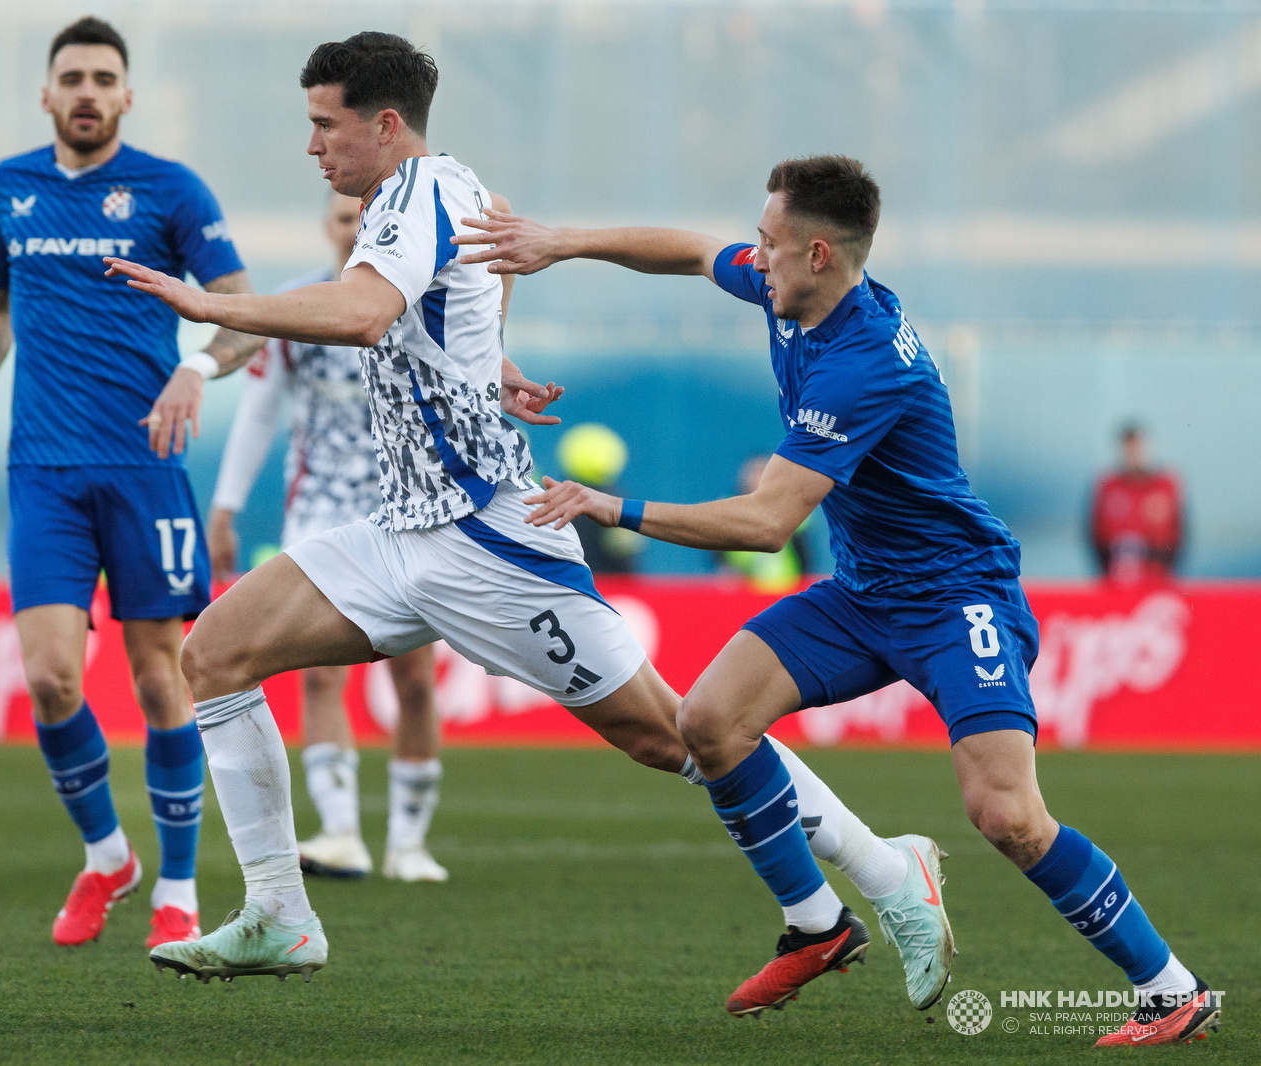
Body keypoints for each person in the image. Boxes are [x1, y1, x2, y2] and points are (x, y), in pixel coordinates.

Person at [104, 35, 953, 1012]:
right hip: (400, 534)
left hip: (493, 541)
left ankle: (890, 873)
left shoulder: (418, 197)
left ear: (384, 125)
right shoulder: (447, 190)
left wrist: (206, 307)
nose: (312, 148)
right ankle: (279, 912)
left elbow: (364, 313)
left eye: (322, 125)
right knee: (214, 653)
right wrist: (484, 362)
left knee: (677, 735)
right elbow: (479, 279)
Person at [458, 155, 1219, 1045]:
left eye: (769, 244)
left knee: (1006, 817)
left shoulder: (862, 365)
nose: (754, 255)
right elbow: (691, 252)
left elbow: (765, 522)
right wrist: (562, 242)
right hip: (864, 593)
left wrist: (610, 505)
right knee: (709, 720)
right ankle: (819, 926)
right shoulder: (796, 289)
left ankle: (1172, 988)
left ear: (818, 253)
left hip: (955, 598)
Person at [0, 16, 265, 950]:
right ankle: (105, 858)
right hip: (41, 469)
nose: (87, 92)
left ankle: (176, 883)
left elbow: (244, 314)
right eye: (72, 78)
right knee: (49, 677)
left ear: (128, 97)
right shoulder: (11, 186)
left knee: (162, 683)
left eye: (104, 78)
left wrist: (196, 367)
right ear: (46, 95)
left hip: (144, 469)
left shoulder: (171, 191)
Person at [208, 191, 449, 883]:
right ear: (328, 226)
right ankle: (341, 831)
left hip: (407, 507)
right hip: (318, 509)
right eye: (343, 219)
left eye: (364, 219)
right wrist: (225, 507)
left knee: (414, 678)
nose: (353, 230)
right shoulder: (297, 304)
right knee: (316, 671)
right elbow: (259, 412)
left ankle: (409, 841)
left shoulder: (421, 295)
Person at [1089, 423, 1184, 586]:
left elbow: (1179, 533)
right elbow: (1095, 533)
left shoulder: (1166, 485)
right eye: (1129, 449)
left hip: (1157, 579)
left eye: (1138, 448)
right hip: (1115, 580)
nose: (1134, 454)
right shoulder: (1108, 486)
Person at [556, 423, 644, 574]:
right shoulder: (620, 503)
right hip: (607, 592)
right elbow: (626, 557)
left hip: (565, 585)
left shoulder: (553, 501)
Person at [722, 455, 810, 593]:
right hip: (743, 592)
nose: (757, 478)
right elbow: (719, 556)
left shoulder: (792, 509)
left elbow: (804, 554)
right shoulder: (729, 509)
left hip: (784, 589)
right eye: (754, 473)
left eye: (762, 472)